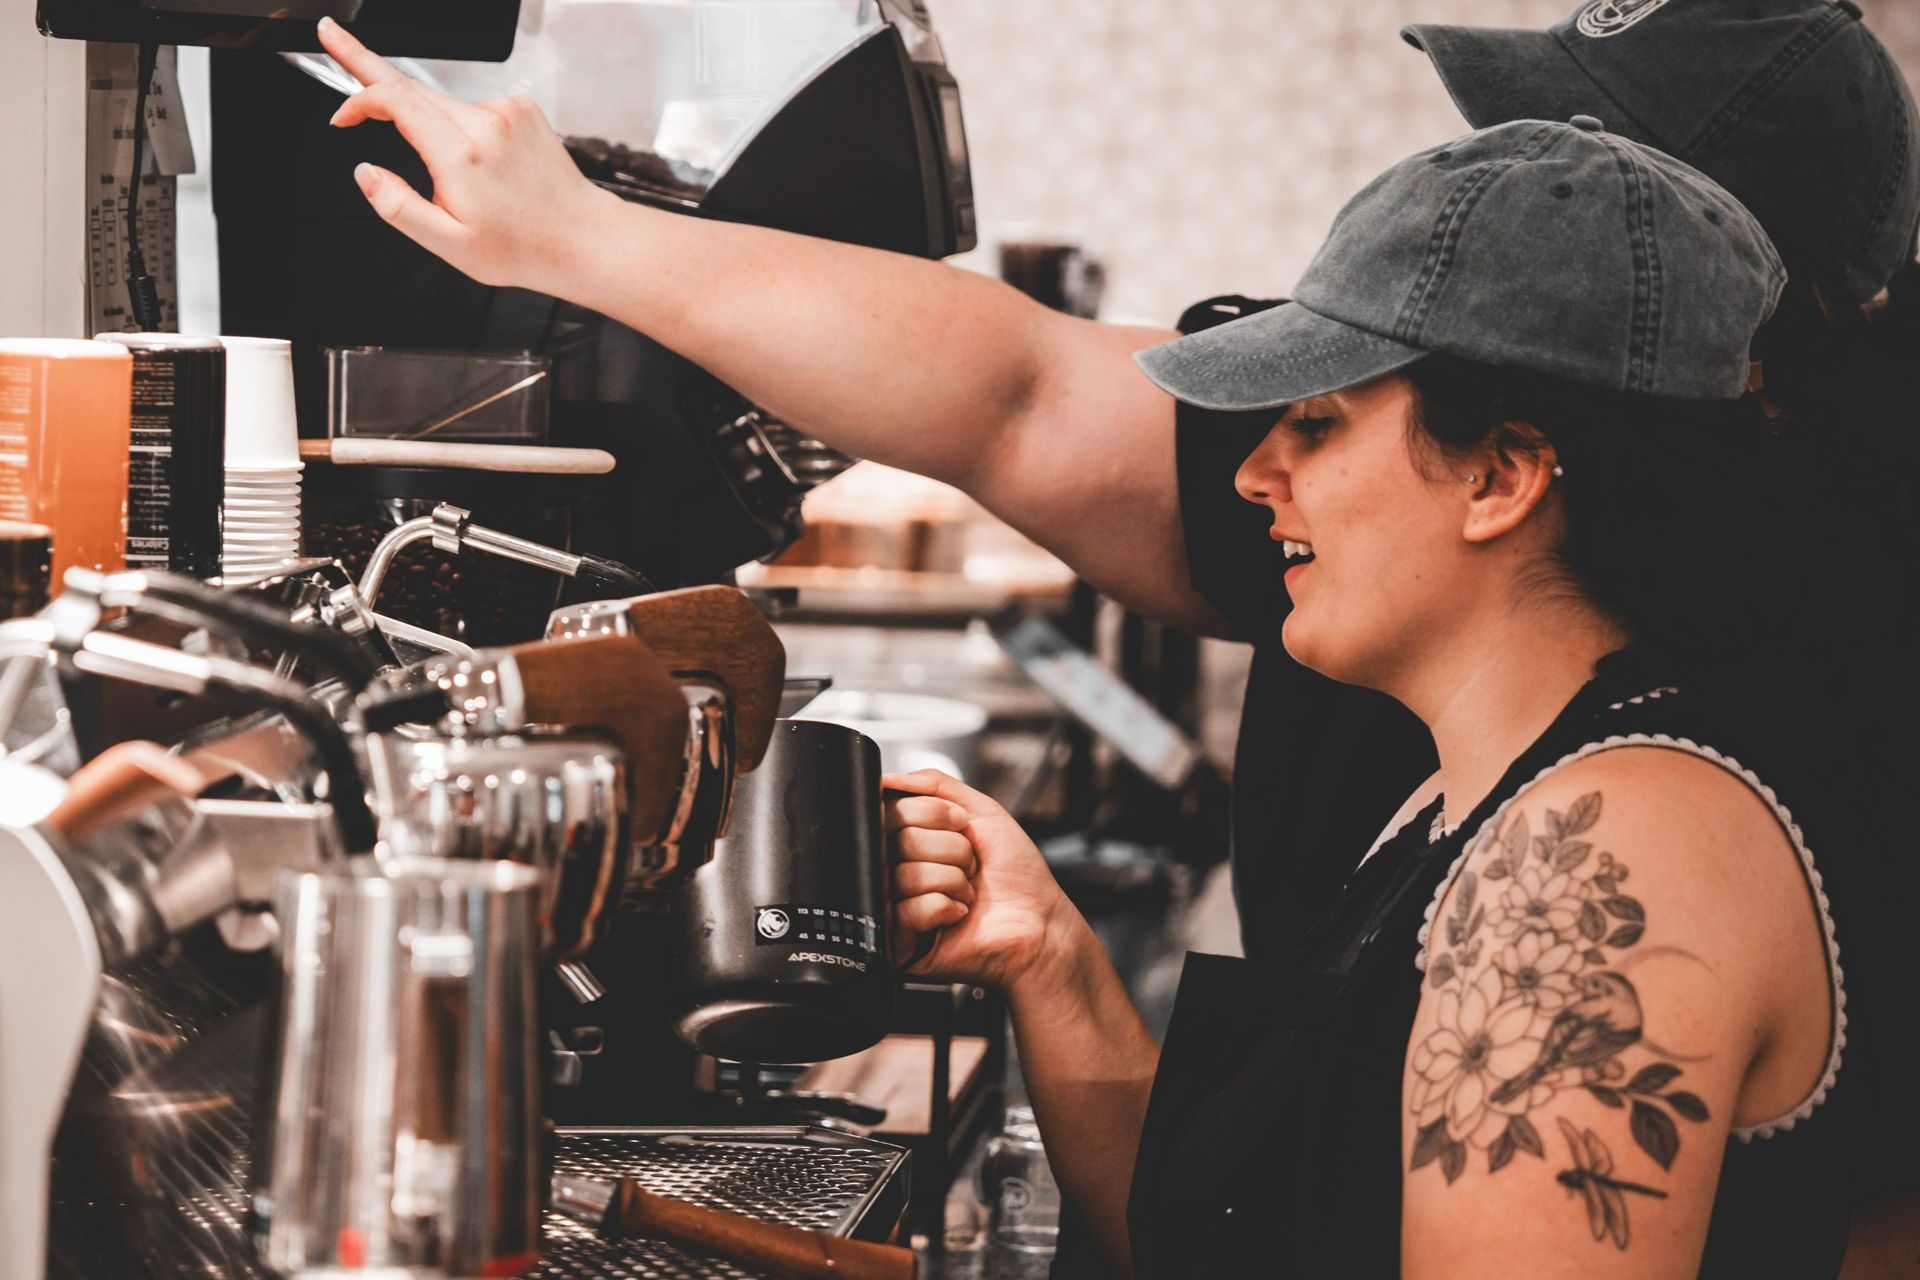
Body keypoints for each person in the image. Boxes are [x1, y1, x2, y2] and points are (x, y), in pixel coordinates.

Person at [313, 0, 1920, 969]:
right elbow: (1018, 389)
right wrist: (581, 238)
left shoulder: (1669, 804)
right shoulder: (1437, 473)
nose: (1499, 190)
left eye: (1568, 168)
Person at [888, 117, 1907, 1277]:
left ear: (1498, 476)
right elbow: (1227, 1242)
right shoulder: (1465, 793)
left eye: (1315, 422)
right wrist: (1048, 952)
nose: (1252, 473)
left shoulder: (1602, 862)